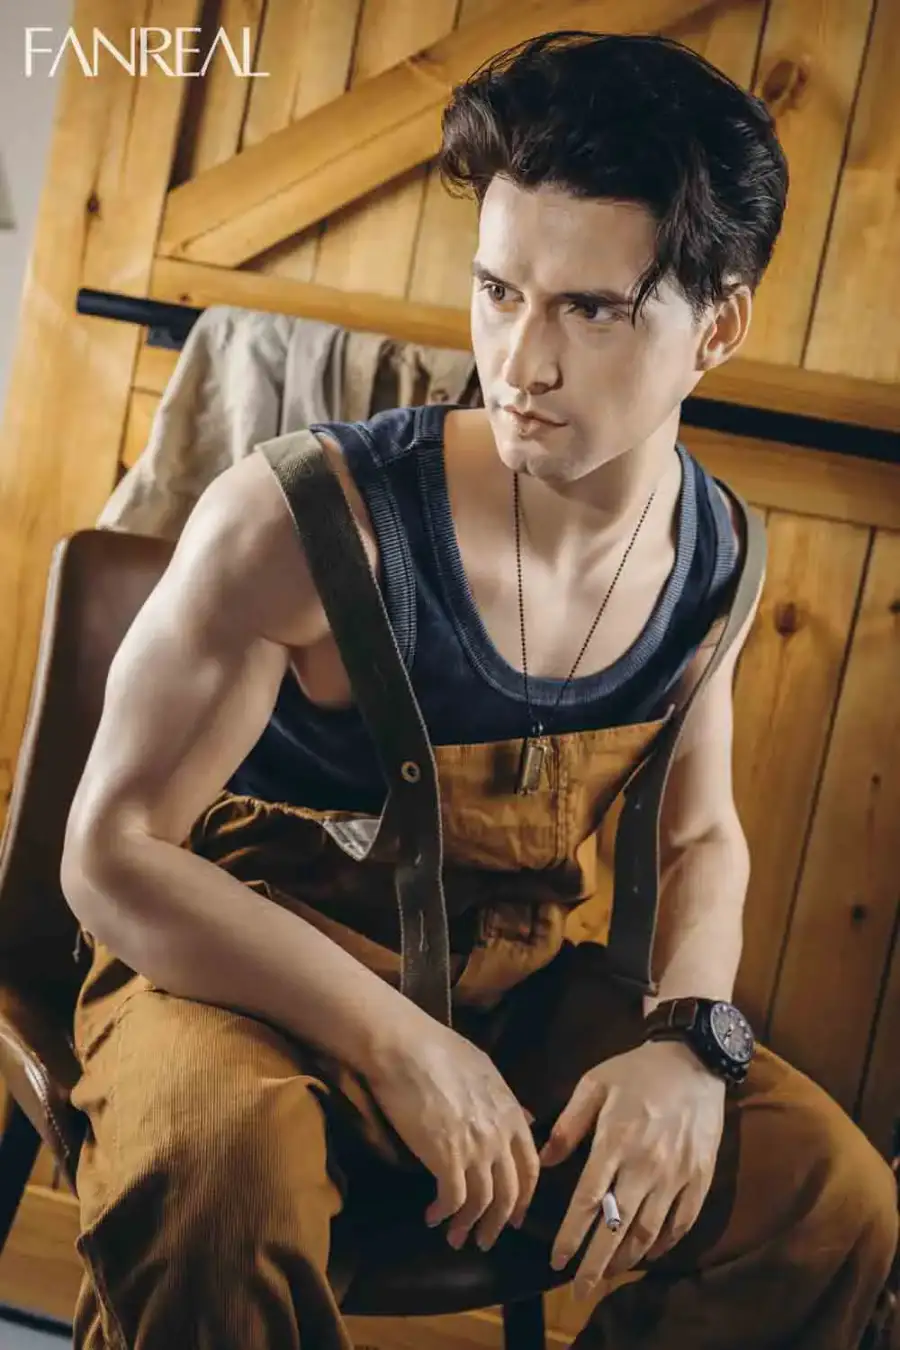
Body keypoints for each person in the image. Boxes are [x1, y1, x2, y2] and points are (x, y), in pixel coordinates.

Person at [60, 30, 896, 1350]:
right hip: (227, 976)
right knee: (224, 1188)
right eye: (499, 290)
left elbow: (699, 835)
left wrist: (690, 1041)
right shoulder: (304, 520)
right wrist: (400, 1043)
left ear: (718, 325)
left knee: (829, 1201)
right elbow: (110, 857)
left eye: (591, 309)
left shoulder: (718, 558)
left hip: (507, 990)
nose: (521, 363)